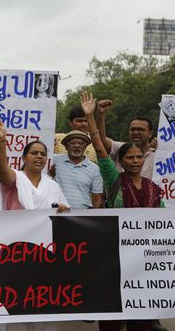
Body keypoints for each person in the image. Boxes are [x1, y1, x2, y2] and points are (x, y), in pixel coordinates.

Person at [82, 91, 163, 331]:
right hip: (113, 257)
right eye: (130, 157)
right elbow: (99, 146)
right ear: (123, 160)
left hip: (143, 260)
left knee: (142, 317)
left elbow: (164, 223)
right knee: (112, 312)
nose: (136, 161)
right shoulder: (113, 178)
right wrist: (92, 116)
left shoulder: (153, 187)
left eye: (139, 157)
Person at [0, 112, 69, 331]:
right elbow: (2, 169)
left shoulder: (52, 185)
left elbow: (65, 213)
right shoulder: (16, 179)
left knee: (44, 307)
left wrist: (63, 210)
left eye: (43, 154)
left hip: (45, 257)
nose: (39, 157)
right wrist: (1, 141)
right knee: (16, 306)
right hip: (16, 254)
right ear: (24, 157)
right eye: (34, 153)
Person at [96, 99, 155, 179]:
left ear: (150, 133)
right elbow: (100, 140)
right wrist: (101, 114)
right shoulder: (120, 148)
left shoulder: (157, 154)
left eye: (140, 129)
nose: (135, 132)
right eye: (133, 129)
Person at [54, 130, 103, 209]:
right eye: (73, 143)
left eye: (80, 143)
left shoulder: (94, 169)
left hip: (82, 216)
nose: (77, 146)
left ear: (85, 147)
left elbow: (97, 196)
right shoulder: (54, 160)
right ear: (66, 147)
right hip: (57, 212)